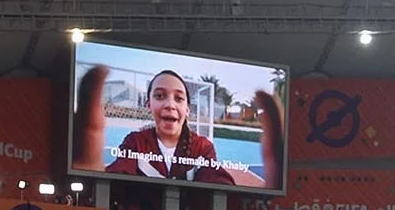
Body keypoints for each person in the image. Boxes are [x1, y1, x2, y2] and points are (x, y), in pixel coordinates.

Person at [78, 66, 282, 189]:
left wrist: (253, 203)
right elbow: (118, 178)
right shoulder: (135, 142)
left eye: (179, 98)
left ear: (187, 110)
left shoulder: (202, 147)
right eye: (160, 96)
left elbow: (218, 183)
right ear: (148, 105)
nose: (170, 104)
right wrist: (95, 183)